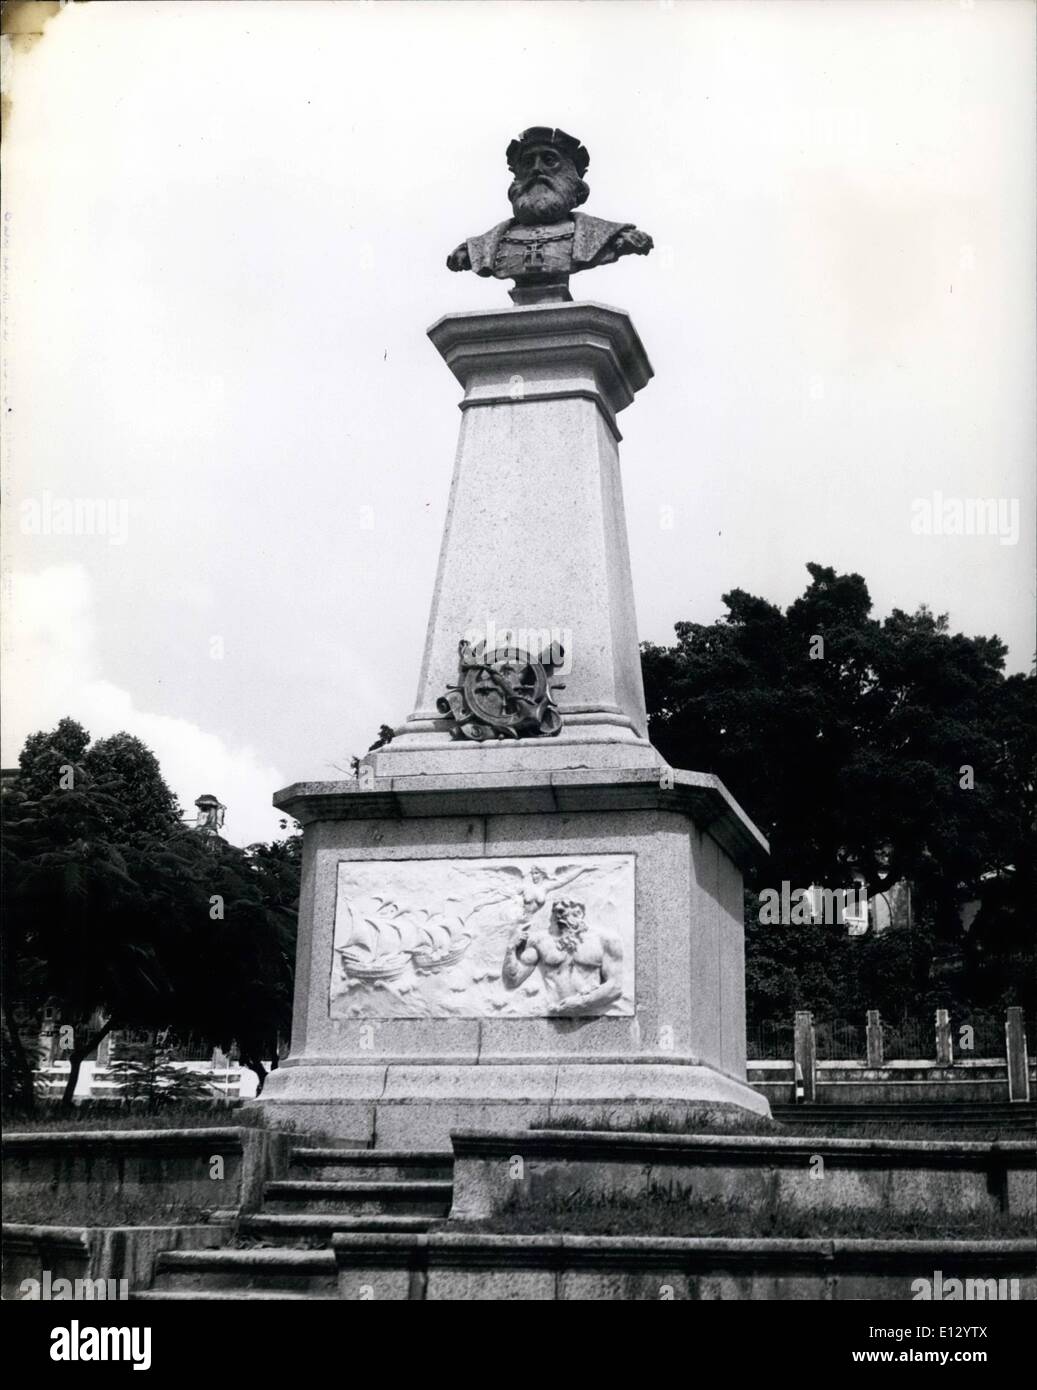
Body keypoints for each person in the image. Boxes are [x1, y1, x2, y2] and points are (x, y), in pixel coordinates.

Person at [501, 897, 624, 1016]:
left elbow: (616, 985)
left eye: (562, 912)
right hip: (553, 1011)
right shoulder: (540, 941)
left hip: (592, 1011)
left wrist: (582, 1002)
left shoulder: (605, 940)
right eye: (555, 912)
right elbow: (512, 980)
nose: (557, 916)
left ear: (579, 913)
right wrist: (511, 949)